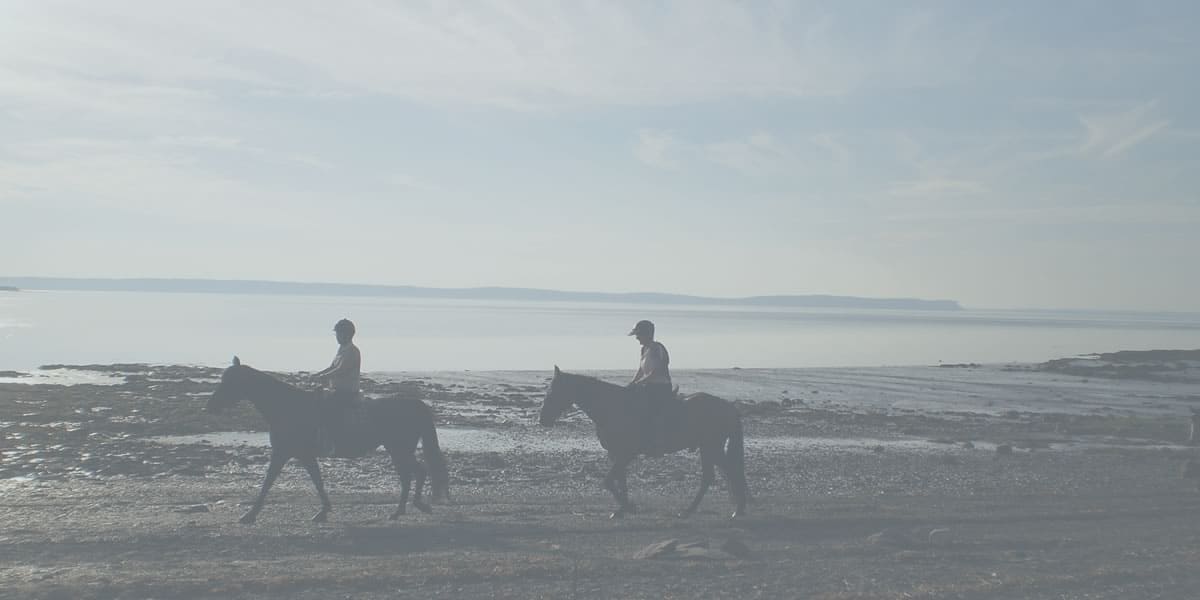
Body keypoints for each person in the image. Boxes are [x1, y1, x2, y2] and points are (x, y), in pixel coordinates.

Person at [312, 318, 361, 455]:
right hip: (335, 389)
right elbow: (332, 367)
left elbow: (341, 370)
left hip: (346, 391)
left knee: (328, 411)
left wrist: (324, 377)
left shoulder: (352, 351)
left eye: (339, 334)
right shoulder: (341, 349)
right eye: (337, 334)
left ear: (347, 334)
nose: (337, 337)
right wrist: (318, 374)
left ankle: (337, 443)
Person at [627, 319, 674, 455]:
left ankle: (657, 443)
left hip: (660, 387)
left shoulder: (657, 348)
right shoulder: (644, 349)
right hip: (647, 385)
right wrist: (632, 382)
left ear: (647, 334)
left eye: (638, 335)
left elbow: (657, 371)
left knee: (650, 411)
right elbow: (641, 370)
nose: (636, 338)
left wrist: (641, 382)